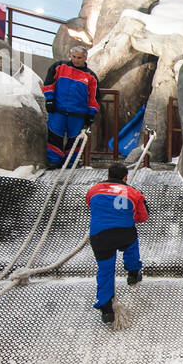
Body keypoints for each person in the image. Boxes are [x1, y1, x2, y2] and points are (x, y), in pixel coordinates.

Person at [86, 162, 148, 324]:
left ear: (108, 175)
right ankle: (133, 273)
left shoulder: (93, 190)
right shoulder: (134, 193)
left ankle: (106, 309)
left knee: (105, 270)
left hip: (100, 235)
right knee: (131, 244)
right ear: (125, 177)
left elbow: (91, 205)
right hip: (124, 233)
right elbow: (143, 217)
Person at [42, 46, 100, 168]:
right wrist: (49, 100)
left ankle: (71, 163)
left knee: (75, 139)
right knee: (54, 136)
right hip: (58, 110)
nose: (76, 60)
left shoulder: (91, 76)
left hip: (78, 114)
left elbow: (94, 98)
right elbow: (48, 84)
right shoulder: (59, 67)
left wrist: (91, 114)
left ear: (85, 58)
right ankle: (53, 161)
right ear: (70, 56)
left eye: (79, 57)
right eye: (74, 57)